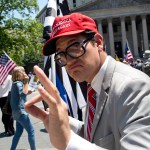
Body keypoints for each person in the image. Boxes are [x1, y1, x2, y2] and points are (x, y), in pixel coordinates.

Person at [25, 13, 150, 149]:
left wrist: (68, 142)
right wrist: (64, 122)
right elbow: (96, 134)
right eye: (61, 54)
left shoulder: (134, 87)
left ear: (98, 43)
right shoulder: (94, 84)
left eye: (74, 46)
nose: (69, 61)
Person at [10, 66, 36, 150]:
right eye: (23, 72)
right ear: (19, 74)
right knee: (31, 131)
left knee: (18, 133)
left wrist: (28, 91)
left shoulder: (15, 83)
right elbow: (23, 93)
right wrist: (26, 82)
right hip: (21, 112)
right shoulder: (18, 83)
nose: (25, 73)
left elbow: (21, 94)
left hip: (16, 113)